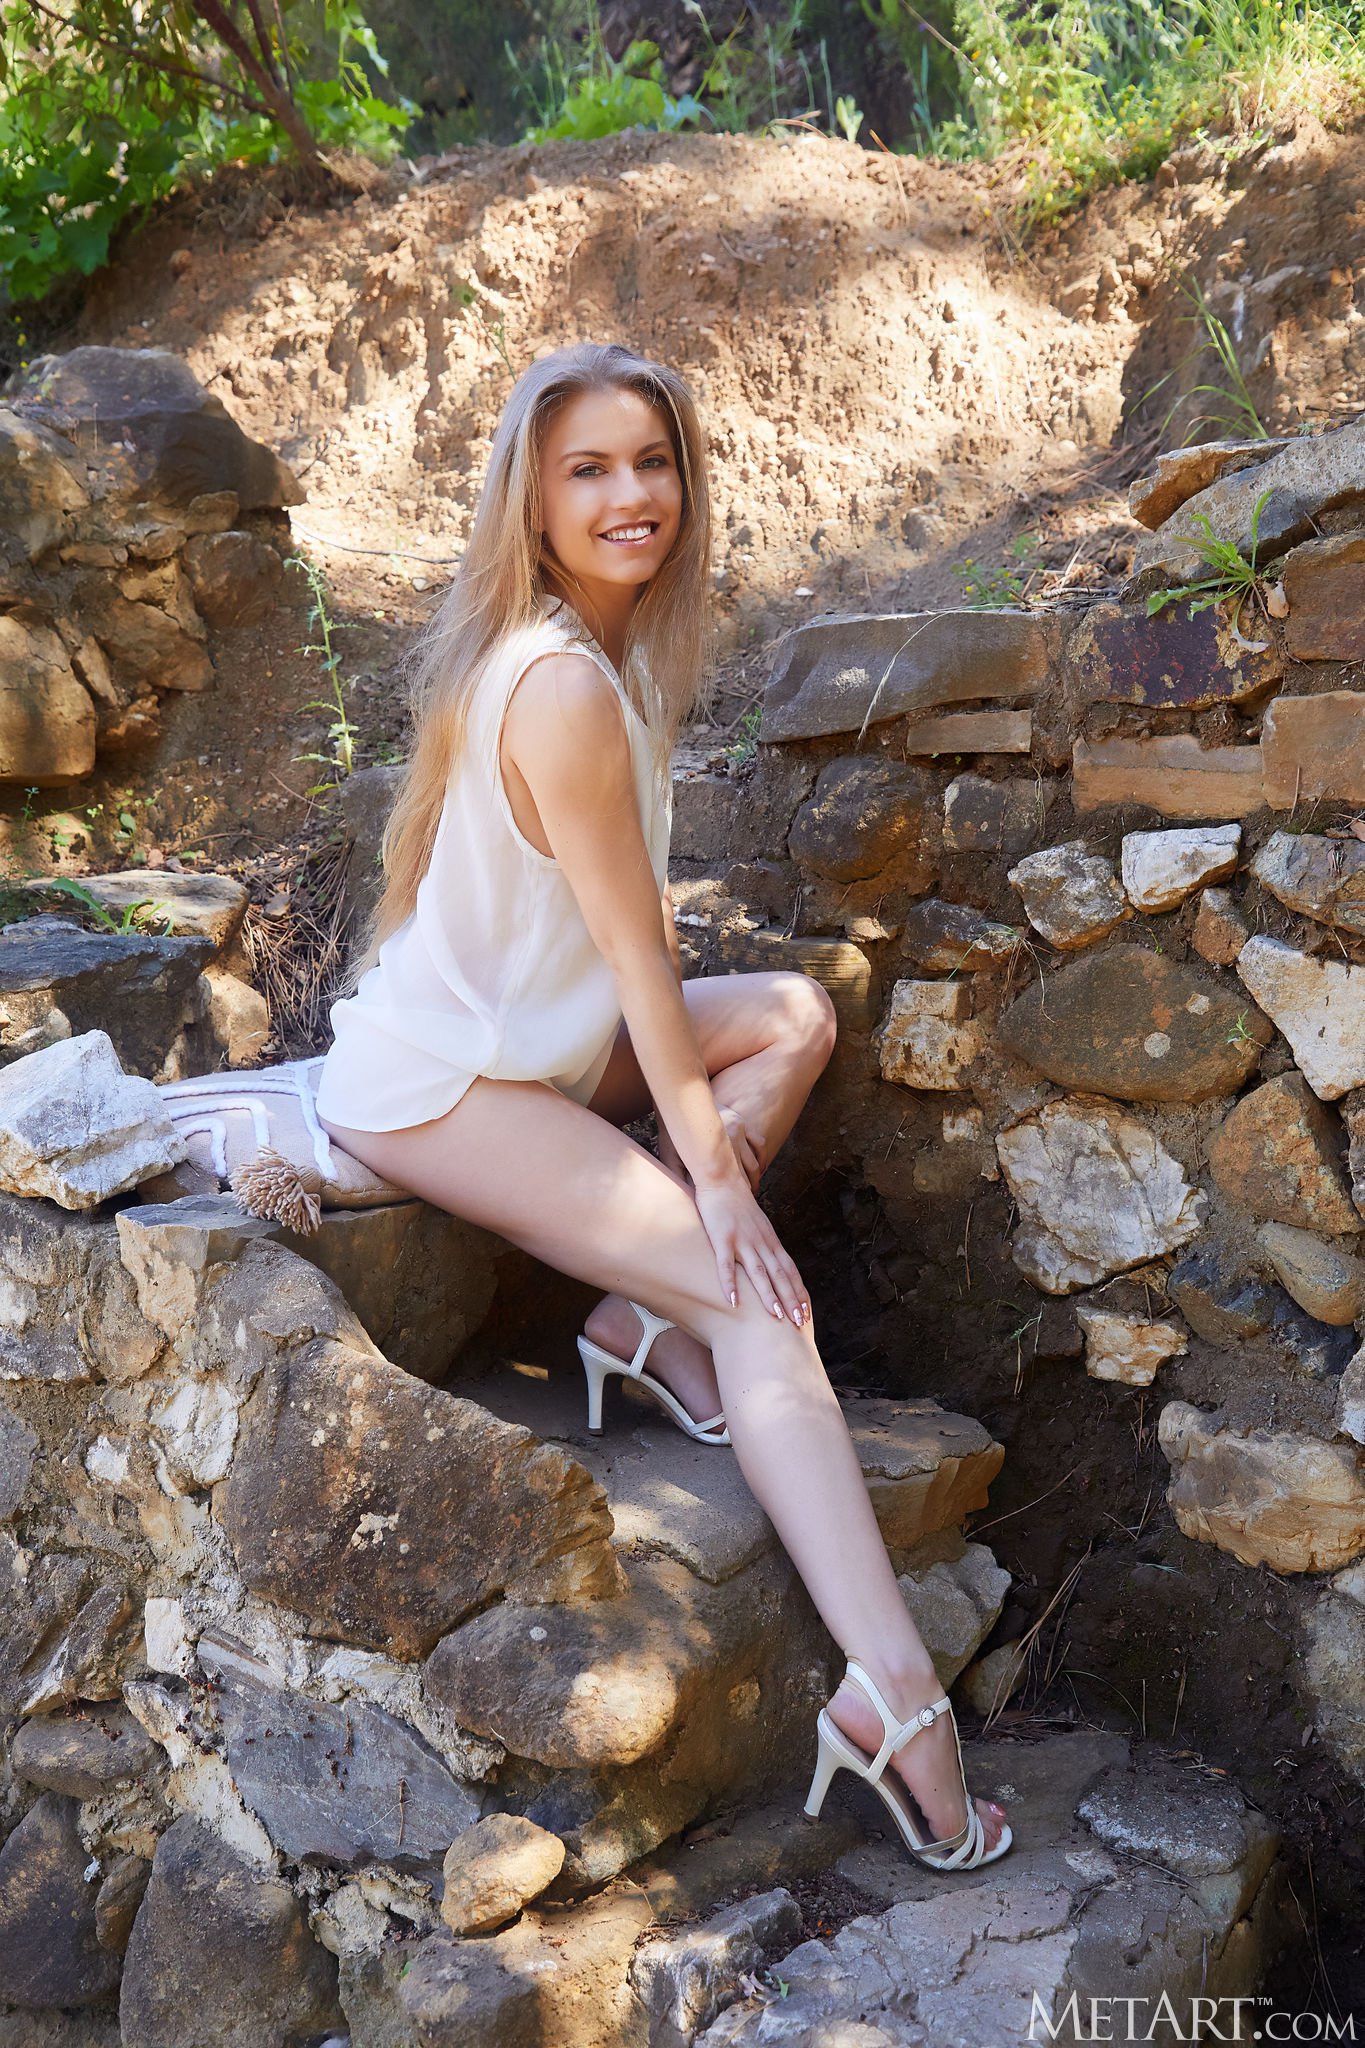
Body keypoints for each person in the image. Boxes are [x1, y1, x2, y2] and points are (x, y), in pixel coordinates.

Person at [314, 340, 1010, 1872]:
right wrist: (721, 1203)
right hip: (446, 1084)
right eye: (589, 469)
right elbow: (644, 964)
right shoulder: (560, 683)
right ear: (533, 503)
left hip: (541, 1044)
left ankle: (640, 1320)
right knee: (761, 1304)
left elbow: (628, 969)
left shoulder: (600, 656)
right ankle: (895, 1694)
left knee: (794, 1018)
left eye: (652, 461)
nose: (631, 494)